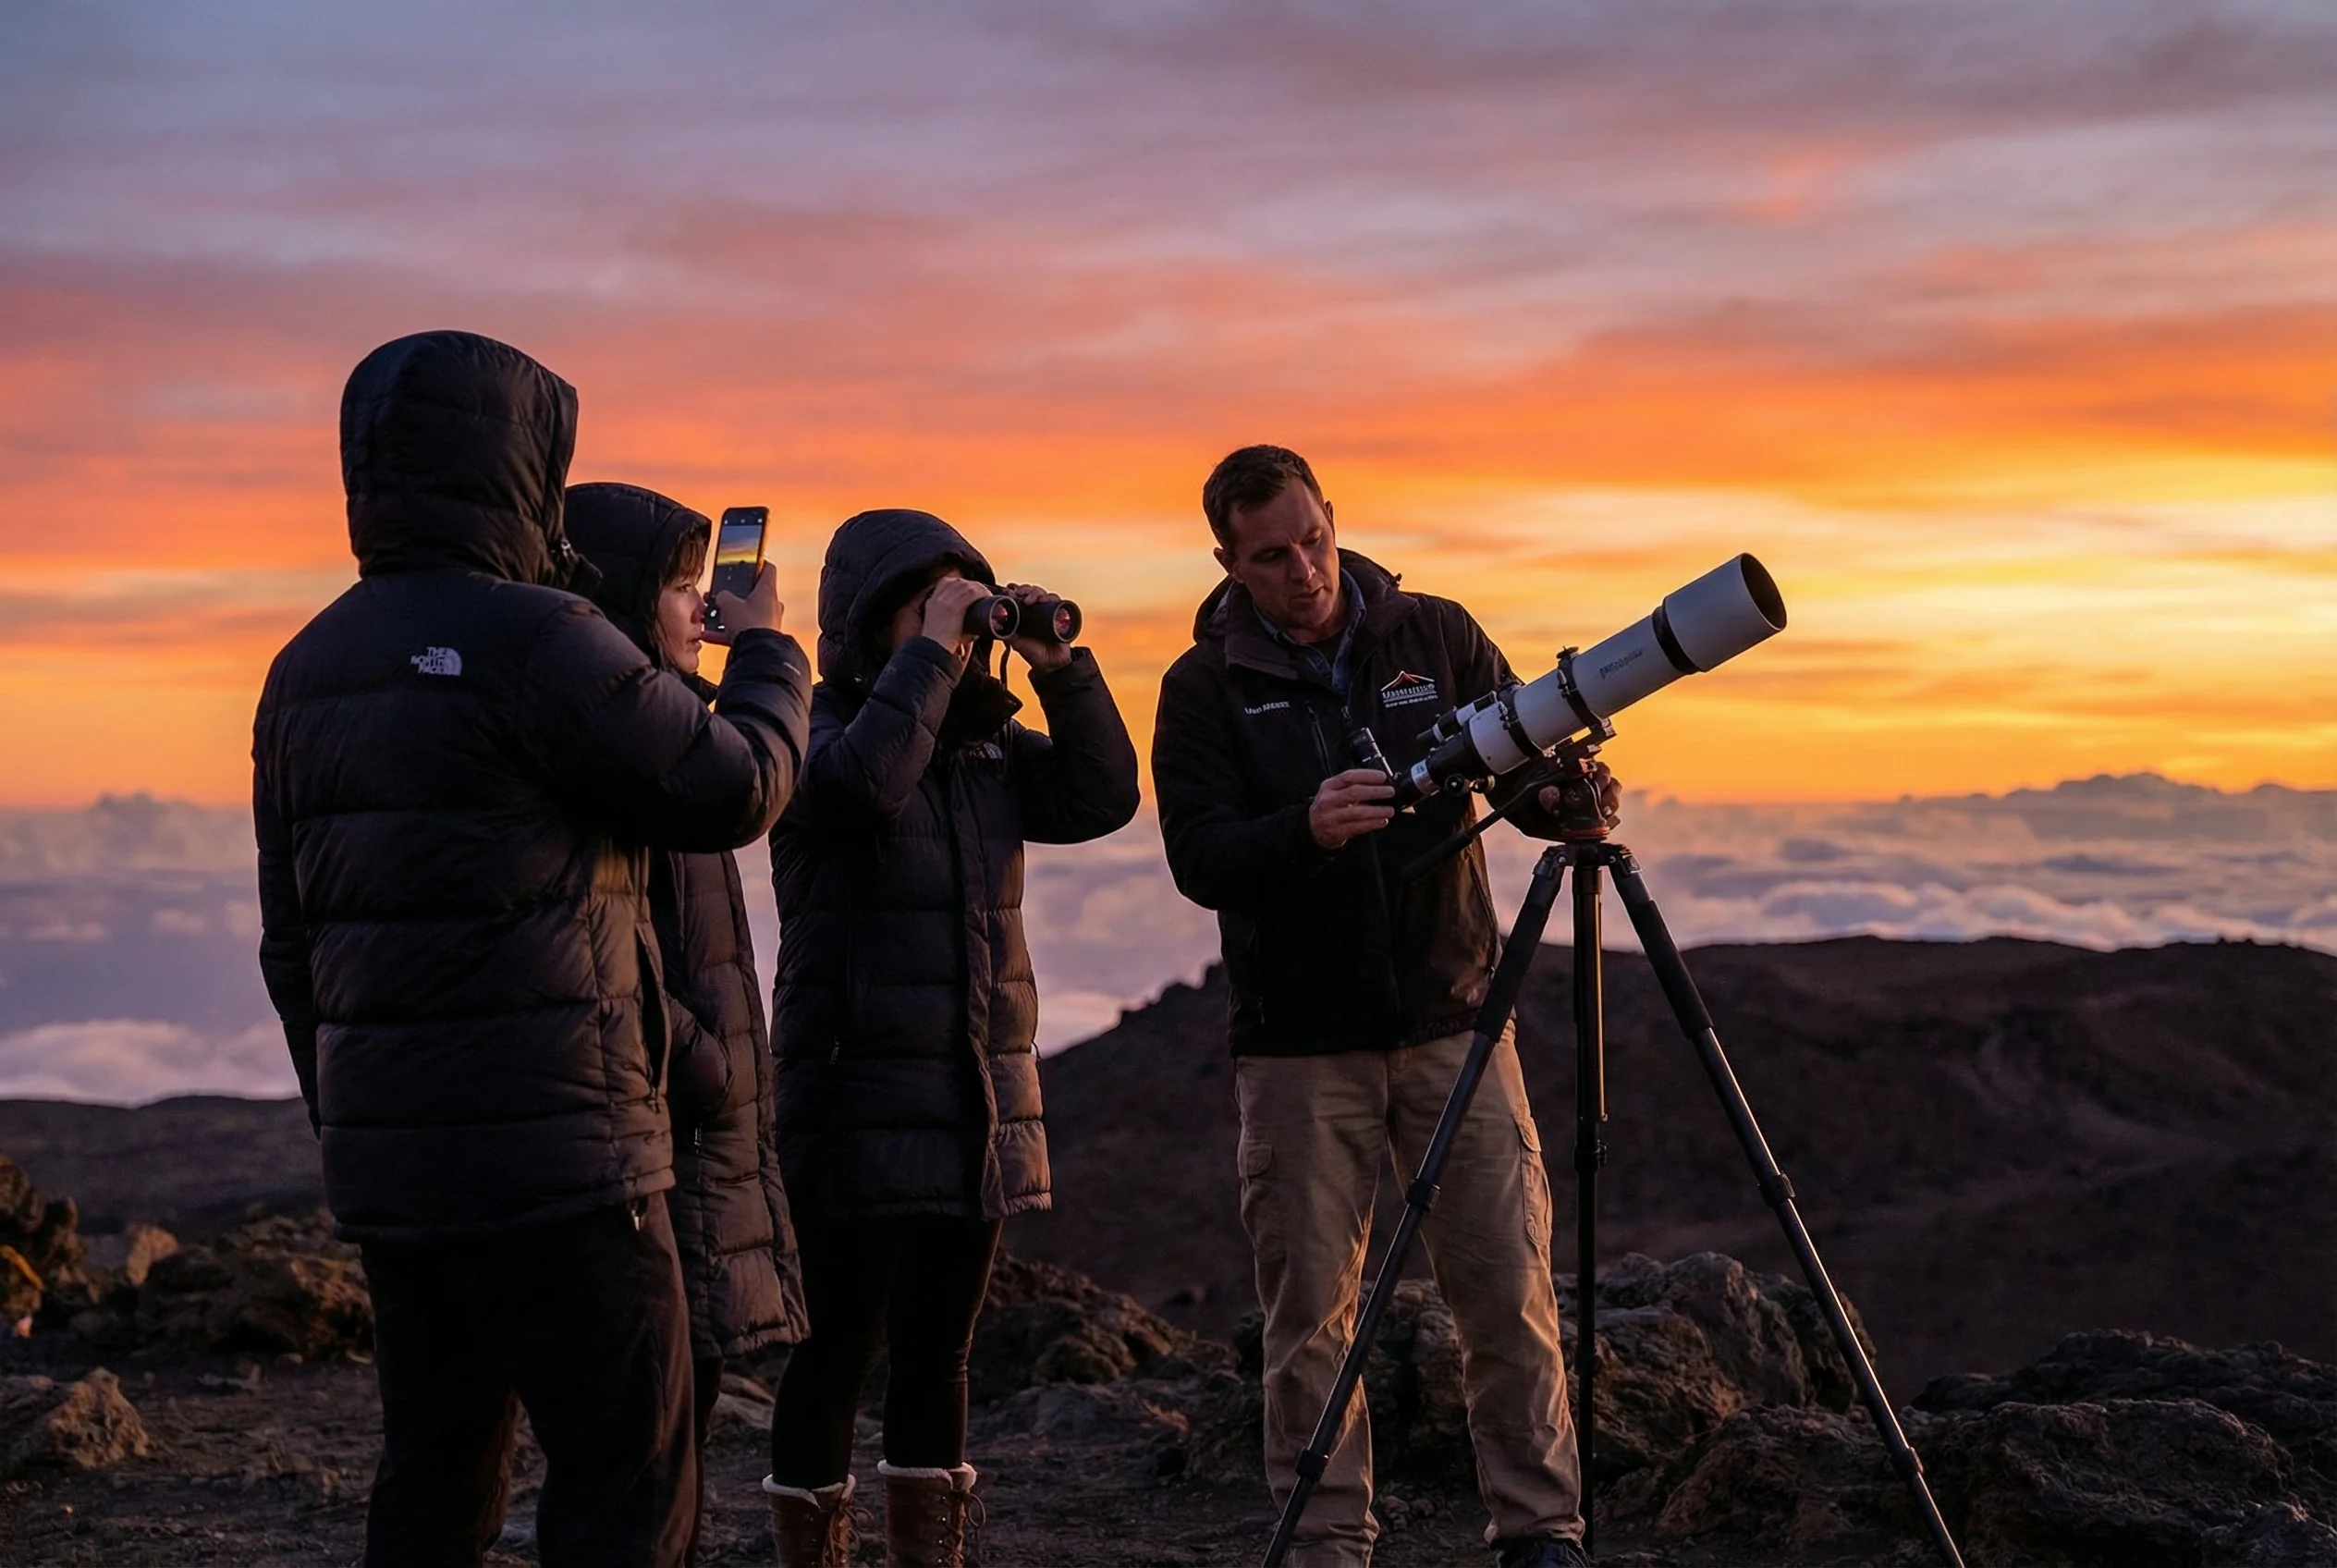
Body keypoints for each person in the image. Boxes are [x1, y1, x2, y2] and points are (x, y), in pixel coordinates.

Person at [251, 331, 813, 1568]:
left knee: (438, 1478)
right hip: (573, 1173)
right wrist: (770, 652)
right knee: (625, 1479)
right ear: (521, 468)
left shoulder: (303, 670)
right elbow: (732, 791)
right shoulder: (544, 637)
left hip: (403, 1184)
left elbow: (291, 951)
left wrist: (358, 1122)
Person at [1152, 446, 1612, 1568]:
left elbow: (1518, 771)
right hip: (1299, 1045)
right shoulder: (1202, 684)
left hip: (1454, 1019)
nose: (1303, 569)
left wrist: (1562, 801)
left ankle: (1539, 1529)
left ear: (1330, 519)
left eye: (1311, 538)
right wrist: (1302, 829)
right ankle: (1323, 1544)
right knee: (1308, 1313)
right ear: (1229, 561)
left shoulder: (1434, 635)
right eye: (1272, 555)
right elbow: (1198, 855)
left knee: (1504, 1285)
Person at [760, 508, 1140, 1568]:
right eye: (923, 608)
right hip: (849, 1101)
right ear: (865, 621)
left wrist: (1058, 667)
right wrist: (930, 651)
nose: (957, 634)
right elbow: (864, 788)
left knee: (941, 1356)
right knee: (833, 1353)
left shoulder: (983, 748)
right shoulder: (813, 729)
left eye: (963, 608)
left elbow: (1105, 795)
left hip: (973, 1098)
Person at [567, 482, 811, 1564]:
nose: (694, 605)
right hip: (656, 1132)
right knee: (647, 1447)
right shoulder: (619, 738)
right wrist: (702, 1061)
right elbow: (605, 939)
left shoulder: (651, 719)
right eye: (674, 584)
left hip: (681, 1132)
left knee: (675, 1435)